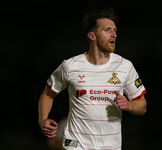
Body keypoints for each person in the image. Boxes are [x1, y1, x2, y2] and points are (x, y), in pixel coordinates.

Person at [38, 8, 147, 150]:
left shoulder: (125, 66)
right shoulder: (70, 66)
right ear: (92, 35)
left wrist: (129, 105)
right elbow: (48, 94)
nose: (114, 34)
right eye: (108, 30)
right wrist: (42, 119)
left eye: (115, 30)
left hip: (110, 146)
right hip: (76, 145)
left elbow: (142, 105)